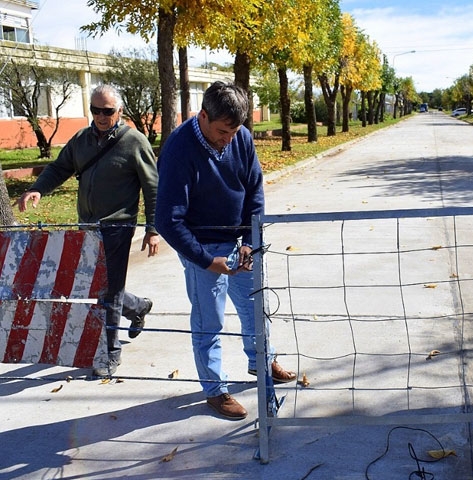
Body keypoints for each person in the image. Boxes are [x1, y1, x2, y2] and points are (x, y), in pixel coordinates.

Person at [154, 81, 296, 420]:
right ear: (203, 115)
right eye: (222, 131)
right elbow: (167, 220)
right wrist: (206, 260)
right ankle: (214, 389)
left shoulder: (241, 138)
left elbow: (254, 191)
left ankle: (261, 359)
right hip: (201, 245)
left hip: (239, 240)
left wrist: (250, 239)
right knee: (209, 320)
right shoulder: (179, 150)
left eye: (234, 131)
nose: (228, 139)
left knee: (253, 305)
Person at [16, 84, 159, 377]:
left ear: (119, 111)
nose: (101, 116)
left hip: (118, 226)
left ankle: (109, 354)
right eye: (96, 110)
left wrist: (152, 228)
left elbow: (153, 187)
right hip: (87, 227)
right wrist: (37, 189)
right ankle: (137, 307)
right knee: (102, 287)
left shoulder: (134, 141)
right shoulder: (82, 139)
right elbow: (59, 168)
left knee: (107, 292)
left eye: (107, 111)